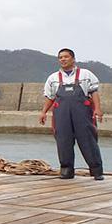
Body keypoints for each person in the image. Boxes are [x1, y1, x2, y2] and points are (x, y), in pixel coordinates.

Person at [39, 48, 103, 180]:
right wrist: (43, 112)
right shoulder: (53, 78)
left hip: (83, 114)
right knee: (63, 141)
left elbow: (94, 92)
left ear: (73, 59)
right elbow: (50, 97)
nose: (63, 59)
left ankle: (96, 171)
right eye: (60, 57)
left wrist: (97, 109)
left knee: (88, 140)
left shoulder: (86, 74)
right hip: (61, 115)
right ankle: (66, 170)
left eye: (66, 57)